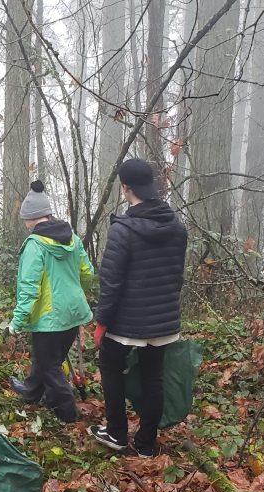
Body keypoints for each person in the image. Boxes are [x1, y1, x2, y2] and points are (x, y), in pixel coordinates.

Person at [88, 158, 187, 458]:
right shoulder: (177, 227)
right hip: (163, 322)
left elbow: (111, 282)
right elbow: (176, 276)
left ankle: (117, 433)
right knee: (152, 377)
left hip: (126, 323)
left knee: (110, 368)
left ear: (125, 188)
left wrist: (101, 323)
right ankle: (146, 443)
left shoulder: (123, 230)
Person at [6, 181, 94, 423]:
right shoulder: (72, 238)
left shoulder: (35, 245)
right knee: (48, 358)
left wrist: (17, 321)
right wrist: (74, 294)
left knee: (50, 366)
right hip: (73, 313)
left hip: (49, 317)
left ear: (32, 217)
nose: (24, 223)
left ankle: (67, 414)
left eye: (25, 218)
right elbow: (87, 272)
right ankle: (32, 391)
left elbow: (29, 287)